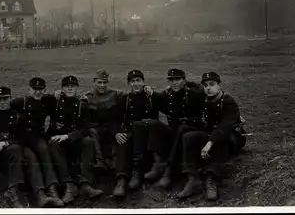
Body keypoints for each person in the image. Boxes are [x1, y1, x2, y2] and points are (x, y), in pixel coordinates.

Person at [177, 72, 244, 201]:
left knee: (220, 137)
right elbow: (195, 87)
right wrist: (183, 84)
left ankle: (211, 178)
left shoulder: (228, 101)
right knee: (188, 136)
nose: (208, 88)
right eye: (205, 85)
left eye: (212, 84)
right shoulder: (206, 97)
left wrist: (208, 144)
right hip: (211, 135)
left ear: (219, 85)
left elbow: (224, 127)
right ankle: (192, 178)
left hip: (231, 138)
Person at [46, 75, 104, 205]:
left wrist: (69, 136)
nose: (70, 89)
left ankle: (86, 185)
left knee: (88, 141)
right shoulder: (55, 103)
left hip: (73, 139)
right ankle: (69, 186)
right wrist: (53, 94)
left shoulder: (82, 105)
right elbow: (39, 100)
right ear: (62, 89)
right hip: (59, 141)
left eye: (73, 86)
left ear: (77, 88)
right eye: (67, 86)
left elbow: (85, 128)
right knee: (52, 143)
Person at [145, 69, 205, 189]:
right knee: (154, 124)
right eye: (171, 80)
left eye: (177, 79)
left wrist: (191, 84)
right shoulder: (168, 94)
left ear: (184, 80)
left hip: (192, 132)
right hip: (175, 132)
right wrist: (151, 93)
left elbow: (205, 94)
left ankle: (169, 171)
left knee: (182, 128)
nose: (174, 83)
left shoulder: (193, 93)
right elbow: (159, 101)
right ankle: (158, 165)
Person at [10, 77, 64, 206]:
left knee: (45, 150)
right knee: (32, 158)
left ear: (45, 90)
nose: (38, 92)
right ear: (29, 89)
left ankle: (52, 190)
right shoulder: (20, 102)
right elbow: (1, 105)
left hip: (36, 138)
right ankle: (40, 193)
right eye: (35, 89)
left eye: (41, 90)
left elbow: (62, 102)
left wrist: (59, 94)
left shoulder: (47, 101)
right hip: (21, 140)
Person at [110, 70, 160, 198]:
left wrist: (152, 94)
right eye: (133, 81)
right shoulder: (124, 99)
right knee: (123, 140)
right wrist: (116, 132)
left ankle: (136, 173)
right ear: (128, 83)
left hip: (147, 134)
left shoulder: (150, 97)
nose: (136, 84)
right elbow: (114, 119)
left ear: (143, 82)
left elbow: (162, 104)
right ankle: (121, 179)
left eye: (138, 81)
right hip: (130, 131)